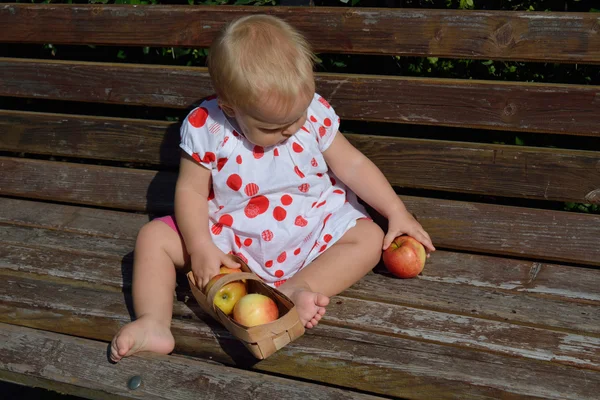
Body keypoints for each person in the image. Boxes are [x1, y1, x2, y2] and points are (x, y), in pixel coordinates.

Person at [110, 14, 435, 362]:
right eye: (274, 126)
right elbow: (190, 191)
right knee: (153, 239)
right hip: (232, 238)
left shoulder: (311, 115)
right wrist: (201, 245)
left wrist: (396, 211)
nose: (292, 129)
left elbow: (352, 164)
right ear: (230, 109)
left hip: (308, 225)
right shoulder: (209, 128)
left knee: (368, 238)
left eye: (297, 117)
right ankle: (154, 322)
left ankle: (298, 288)